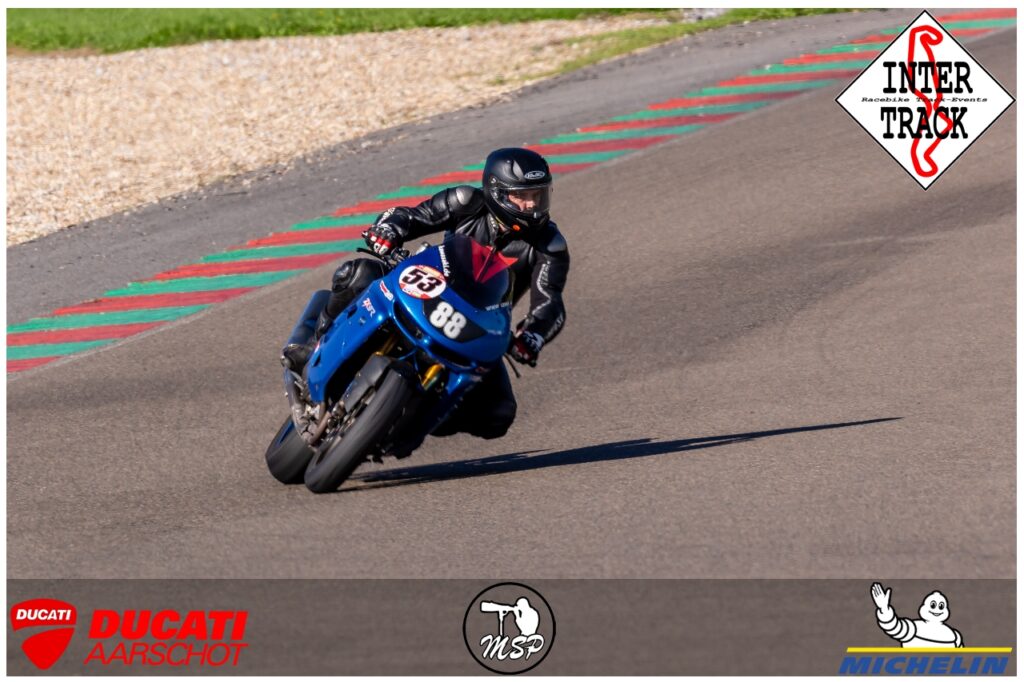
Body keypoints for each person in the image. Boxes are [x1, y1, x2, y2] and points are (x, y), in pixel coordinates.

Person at [281, 147, 569, 440]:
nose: (532, 205)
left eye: (538, 195)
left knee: (499, 414)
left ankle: (407, 417)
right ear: (497, 192)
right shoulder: (466, 201)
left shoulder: (550, 246)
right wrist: (388, 231)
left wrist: (532, 336)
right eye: (522, 196)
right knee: (355, 274)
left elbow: (550, 302)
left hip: (475, 330)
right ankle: (314, 348)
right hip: (424, 289)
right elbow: (412, 216)